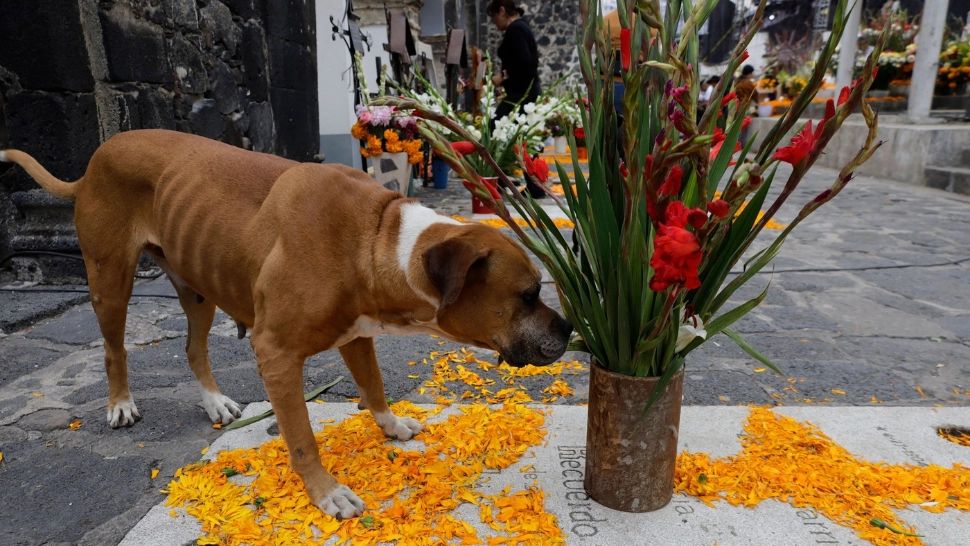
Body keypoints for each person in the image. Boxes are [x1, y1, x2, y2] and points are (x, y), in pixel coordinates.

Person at [487, 0, 541, 122]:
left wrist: (503, 76)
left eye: (494, 17)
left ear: (502, 11)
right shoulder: (520, 27)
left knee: (495, 126)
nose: (494, 22)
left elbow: (524, 62)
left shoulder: (516, 29)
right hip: (522, 92)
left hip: (522, 93)